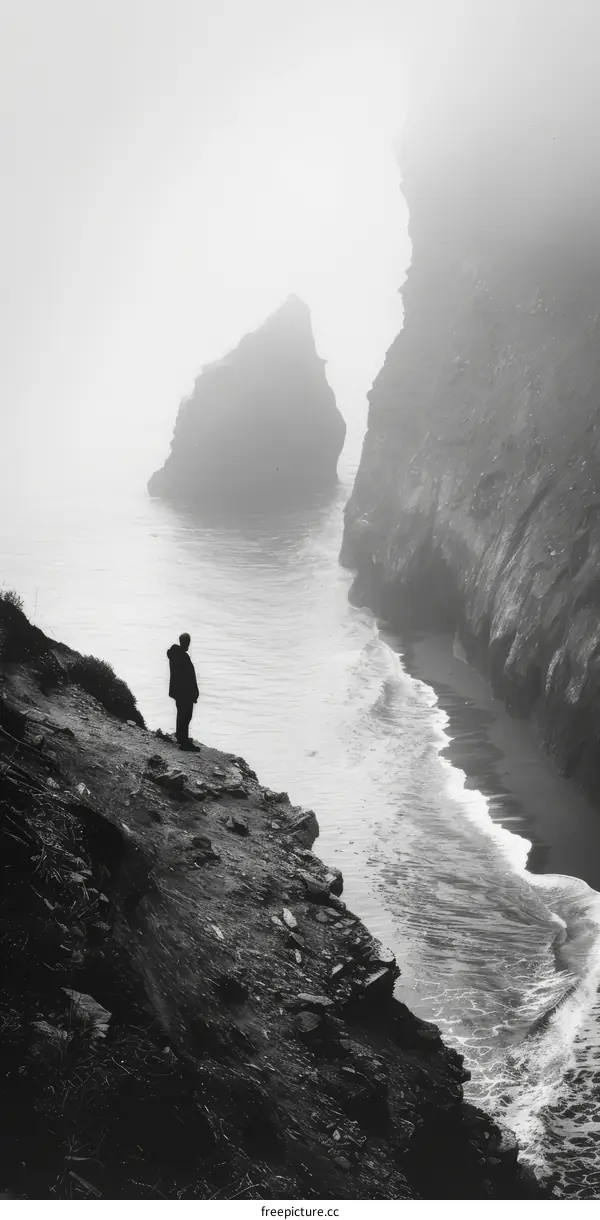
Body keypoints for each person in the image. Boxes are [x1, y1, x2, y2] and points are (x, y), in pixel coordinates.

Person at [166, 632, 199, 749]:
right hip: (185, 691)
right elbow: (188, 677)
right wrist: (194, 692)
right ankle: (184, 742)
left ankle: (181, 736)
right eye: (187, 642)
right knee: (186, 715)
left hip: (178, 690)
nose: (188, 644)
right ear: (183, 642)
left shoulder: (175, 654)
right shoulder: (182, 657)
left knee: (181, 713)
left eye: (189, 642)